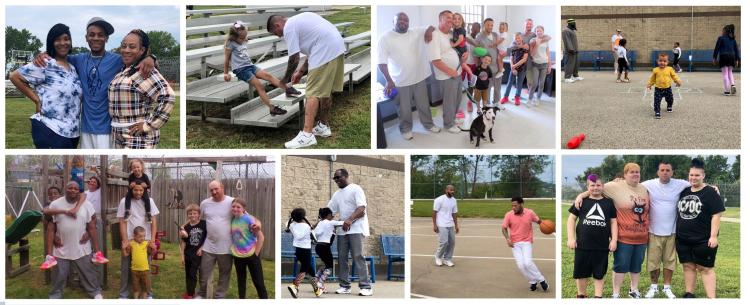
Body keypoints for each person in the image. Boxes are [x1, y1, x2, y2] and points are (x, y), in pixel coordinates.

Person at [31, 17, 156, 148]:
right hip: (85, 129)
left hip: (107, 129)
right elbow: (58, 55)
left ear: (107, 38)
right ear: (86, 37)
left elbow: (137, 57)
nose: (96, 38)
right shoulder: (77, 60)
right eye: (92, 35)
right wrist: (43, 54)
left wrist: (150, 57)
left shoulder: (118, 60)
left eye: (101, 35)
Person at [267, 13, 346, 148]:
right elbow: (312, 49)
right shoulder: (300, 20)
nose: (279, 36)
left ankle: (307, 135)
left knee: (312, 93)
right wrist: (301, 71)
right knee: (325, 91)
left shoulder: (289, 28)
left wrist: (284, 81)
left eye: (276, 33)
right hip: (337, 47)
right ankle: (323, 126)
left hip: (325, 50)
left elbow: (294, 58)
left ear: (277, 25)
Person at [576, 163, 650, 298]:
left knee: (636, 265)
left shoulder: (644, 188)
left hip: (641, 236)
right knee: (620, 265)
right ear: (625, 174)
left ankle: (634, 290)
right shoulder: (614, 186)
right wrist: (581, 195)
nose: (635, 174)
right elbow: (596, 187)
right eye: (631, 172)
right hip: (624, 236)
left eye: (637, 172)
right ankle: (616, 293)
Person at [9, 23, 82, 149]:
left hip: (72, 132)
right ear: (51, 42)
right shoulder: (45, 63)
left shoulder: (73, 68)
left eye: (66, 38)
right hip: (51, 129)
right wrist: (36, 99)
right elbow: (14, 76)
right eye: (57, 39)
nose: (62, 43)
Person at [378, 12, 441, 141]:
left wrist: (429, 31)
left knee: (424, 105)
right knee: (404, 109)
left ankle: (428, 124)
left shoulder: (415, 32)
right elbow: (381, 63)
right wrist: (389, 81)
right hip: (400, 81)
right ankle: (405, 129)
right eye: (400, 19)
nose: (403, 22)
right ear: (393, 22)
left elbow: (431, 26)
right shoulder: (385, 38)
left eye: (406, 20)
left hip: (419, 78)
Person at [108, 29, 175, 149]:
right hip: (119, 133)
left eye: (132, 47)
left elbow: (168, 96)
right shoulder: (125, 70)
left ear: (142, 50)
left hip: (137, 136)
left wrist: (148, 125)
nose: (126, 50)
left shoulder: (143, 70)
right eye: (124, 46)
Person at [223, 21, 298, 116]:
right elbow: (226, 59)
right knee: (260, 86)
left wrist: (244, 36)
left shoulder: (241, 38)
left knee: (269, 76)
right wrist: (226, 73)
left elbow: (243, 35)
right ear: (234, 37)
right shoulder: (230, 43)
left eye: (244, 37)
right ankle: (272, 108)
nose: (244, 39)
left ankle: (287, 89)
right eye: (241, 38)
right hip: (241, 69)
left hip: (250, 65)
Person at [640, 161, 690, 299]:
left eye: (668, 170)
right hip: (653, 231)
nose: (665, 172)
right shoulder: (649, 184)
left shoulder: (680, 184)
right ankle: (654, 287)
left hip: (672, 232)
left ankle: (667, 287)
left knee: (670, 261)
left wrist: (712, 187)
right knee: (653, 261)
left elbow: (698, 183)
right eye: (662, 170)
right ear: (658, 172)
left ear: (672, 172)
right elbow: (630, 185)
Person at [676, 158, 724, 298]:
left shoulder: (710, 192)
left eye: (697, 175)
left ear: (703, 176)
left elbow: (716, 214)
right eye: (691, 175)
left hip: (703, 239)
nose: (693, 177)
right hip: (683, 239)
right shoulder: (684, 191)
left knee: (706, 268)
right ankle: (689, 294)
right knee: (688, 266)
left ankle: (711, 298)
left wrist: (713, 236)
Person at [47, 182, 103, 299]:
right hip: (61, 247)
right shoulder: (56, 204)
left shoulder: (86, 204)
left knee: (88, 272)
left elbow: (92, 224)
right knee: (59, 275)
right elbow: (50, 227)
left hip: (81, 246)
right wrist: (49, 254)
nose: (73, 190)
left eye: (75, 188)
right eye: (70, 188)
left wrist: (95, 248)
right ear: (65, 190)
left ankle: (95, 292)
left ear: (79, 191)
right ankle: (55, 295)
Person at [567, 174, 617, 298]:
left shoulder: (608, 203)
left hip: (601, 246)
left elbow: (613, 222)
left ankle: (598, 297)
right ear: (587, 186)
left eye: (598, 185)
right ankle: (581, 295)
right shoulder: (581, 201)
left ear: (603, 186)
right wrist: (571, 238)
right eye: (592, 185)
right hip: (583, 245)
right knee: (581, 273)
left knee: (599, 273)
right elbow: (571, 219)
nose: (595, 188)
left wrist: (614, 240)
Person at [327, 169, 373, 296]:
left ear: (346, 176)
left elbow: (362, 208)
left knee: (358, 256)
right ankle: (344, 286)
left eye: (338, 177)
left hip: (356, 228)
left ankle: (366, 287)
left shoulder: (356, 189)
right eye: (334, 178)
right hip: (343, 230)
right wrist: (320, 223)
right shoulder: (337, 194)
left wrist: (350, 219)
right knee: (342, 258)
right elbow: (329, 212)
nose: (336, 180)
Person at [117, 181, 159, 299]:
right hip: (130, 239)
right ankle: (123, 294)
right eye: (135, 190)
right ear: (131, 189)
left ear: (144, 190)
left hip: (145, 240)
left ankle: (148, 294)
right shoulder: (124, 202)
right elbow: (122, 222)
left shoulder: (149, 201)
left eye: (141, 190)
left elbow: (154, 222)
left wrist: (152, 240)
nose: (138, 192)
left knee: (146, 268)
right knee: (126, 269)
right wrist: (125, 240)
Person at [427, 10, 464, 134]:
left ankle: (452, 119)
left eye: (452, 18)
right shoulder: (435, 36)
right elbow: (435, 60)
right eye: (448, 18)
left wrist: (463, 56)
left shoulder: (450, 34)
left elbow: (455, 49)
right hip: (446, 76)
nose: (451, 20)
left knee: (458, 99)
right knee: (449, 101)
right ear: (440, 20)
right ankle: (448, 124)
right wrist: (450, 71)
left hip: (457, 73)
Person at [502, 197, 549, 292]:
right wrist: (507, 239)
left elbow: (540, 222)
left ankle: (542, 280)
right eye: (512, 205)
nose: (513, 207)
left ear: (521, 204)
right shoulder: (509, 215)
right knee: (521, 265)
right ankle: (533, 281)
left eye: (515, 205)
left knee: (527, 262)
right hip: (515, 244)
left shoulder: (529, 213)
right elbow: (503, 228)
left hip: (526, 242)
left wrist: (549, 228)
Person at [198, 180, 234, 299]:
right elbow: (198, 220)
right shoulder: (205, 203)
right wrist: (184, 226)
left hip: (227, 247)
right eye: (211, 190)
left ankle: (219, 297)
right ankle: (201, 295)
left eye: (216, 189)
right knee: (203, 272)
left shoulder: (231, 201)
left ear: (222, 188)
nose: (213, 192)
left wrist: (257, 224)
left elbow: (244, 216)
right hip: (209, 246)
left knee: (224, 274)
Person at [231, 198, 267, 299]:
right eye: (233, 206)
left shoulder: (249, 219)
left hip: (252, 255)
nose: (235, 209)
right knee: (241, 282)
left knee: (258, 283)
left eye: (238, 207)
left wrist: (255, 254)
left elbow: (261, 237)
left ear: (243, 209)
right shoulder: (233, 220)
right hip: (238, 256)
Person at [286, 208, 321, 298]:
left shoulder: (291, 225)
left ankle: (317, 290)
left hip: (298, 250)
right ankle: (294, 286)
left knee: (311, 270)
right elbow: (313, 236)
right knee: (304, 269)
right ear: (303, 217)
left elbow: (295, 230)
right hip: (306, 250)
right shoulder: (306, 227)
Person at [313, 207, 344, 293]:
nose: (333, 217)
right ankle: (320, 283)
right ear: (329, 215)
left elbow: (315, 233)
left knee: (325, 264)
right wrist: (354, 219)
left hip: (318, 247)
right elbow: (343, 223)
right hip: (325, 247)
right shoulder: (330, 222)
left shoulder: (320, 223)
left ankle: (316, 280)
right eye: (332, 215)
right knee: (329, 267)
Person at [179, 204, 206, 299]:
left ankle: (191, 293)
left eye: (195, 213)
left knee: (193, 273)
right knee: (188, 273)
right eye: (190, 213)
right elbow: (183, 243)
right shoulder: (186, 228)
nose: (192, 215)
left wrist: (202, 247)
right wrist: (182, 255)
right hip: (188, 253)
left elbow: (209, 237)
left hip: (198, 253)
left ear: (199, 214)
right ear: (187, 215)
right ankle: (189, 293)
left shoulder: (203, 224)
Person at [474, 18, 502, 106]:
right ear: (484, 25)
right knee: (487, 87)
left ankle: (497, 102)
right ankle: (487, 104)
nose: (490, 27)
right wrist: (478, 67)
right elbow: (476, 52)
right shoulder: (479, 36)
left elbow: (500, 48)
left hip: (496, 65)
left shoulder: (495, 35)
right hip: (486, 67)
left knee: (497, 86)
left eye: (492, 25)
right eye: (488, 25)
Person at [647, 53, 682, 119]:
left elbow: (674, 76)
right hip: (658, 89)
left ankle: (669, 105)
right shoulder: (655, 70)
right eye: (660, 61)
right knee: (657, 101)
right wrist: (649, 85)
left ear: (667, 62)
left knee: (670, 99)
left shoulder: (670, 69)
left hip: (667, 88)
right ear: (657, 61)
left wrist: (678, 81)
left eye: (664, 61)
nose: (662, 63)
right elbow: (652, 79)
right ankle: (657, 111)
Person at [433, 184, 458, 267]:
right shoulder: (439, 200)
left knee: (452, 242)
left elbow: (454, 213)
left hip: (450, 224)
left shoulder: (454, 200)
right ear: (446, 190)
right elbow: (434, 213)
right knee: (444, 242)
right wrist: (435, 225)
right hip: (441, 223)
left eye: (453, 190)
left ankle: (447, 259)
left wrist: (456, 225)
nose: (452, 191)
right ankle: (438, 257)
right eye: (450, 190)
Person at [501, 33, 529, 106]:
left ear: (522, 38)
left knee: (519, 84)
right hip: (513, 68)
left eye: (519, 38)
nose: (517, 40)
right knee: (509, 83)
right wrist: (512, 66)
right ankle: (505, 97)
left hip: (522, 69)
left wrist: (515, 66)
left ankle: (517, 97)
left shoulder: (525, 47)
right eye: (516, 38)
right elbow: (511, 58)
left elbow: (524, 59)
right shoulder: (514, 47)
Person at [123, 226, 151, 299]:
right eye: (140, 236)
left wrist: (154, 248)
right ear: (134, 236)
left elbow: (151, 253)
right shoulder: (131, 243)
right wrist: (123, 248)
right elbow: (126, 255)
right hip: (134, 270)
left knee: (145, 288)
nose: (142, 238)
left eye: (144, 236)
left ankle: (144, 299)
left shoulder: (146, 243)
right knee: (136, 288)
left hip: (145, 270)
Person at [713, 24, 740, 96]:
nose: (721, 31)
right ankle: (733, 85)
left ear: (725, 31)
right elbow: (736, 50)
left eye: (722, 30)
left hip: (723, 56)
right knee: (730, 72)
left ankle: (727, 91)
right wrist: (737, 59)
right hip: (732, 56)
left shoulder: (721, 38)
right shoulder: (733, 39)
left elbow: (717, 49)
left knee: (725, 73)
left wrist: (714, 58)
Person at [527, 25, 551, 106]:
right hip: (535, 65)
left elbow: (548, 54)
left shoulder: (546, 41)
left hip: (544, 64)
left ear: (543, 32)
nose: (539, 32)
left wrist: (549, 65)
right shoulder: (532, 40)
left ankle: (538, 98)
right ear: (535, 32)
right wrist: (537, 44)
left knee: (542, 83)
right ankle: (530, 99)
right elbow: (532, 54)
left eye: (540, 31)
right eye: (537, 31)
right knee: (534, 83)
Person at [562, 19, 581, 83]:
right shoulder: (566, 30)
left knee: (575, 64)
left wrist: (576, 49)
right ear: (570, 23)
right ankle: (567, 77)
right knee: (569, 64)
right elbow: (567, 41)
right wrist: (571, 49)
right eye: (574, 23)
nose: (575, 24)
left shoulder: (572, 31)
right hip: (570, 51)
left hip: (575, 51)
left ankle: (575, 76)